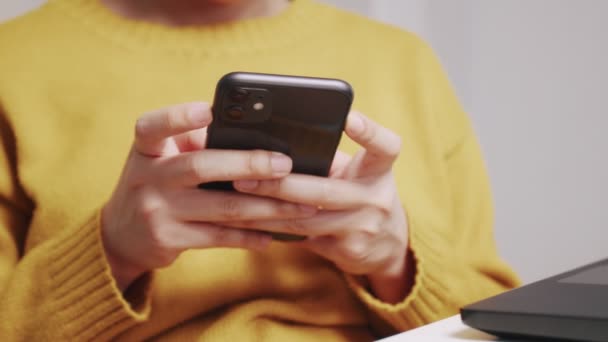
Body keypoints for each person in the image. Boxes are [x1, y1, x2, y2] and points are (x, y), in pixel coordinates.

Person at [0, 0, 520, 340]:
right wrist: (110, 251)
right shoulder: (15, 59)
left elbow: (498, 322)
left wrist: (396, 261)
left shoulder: (405, 60)